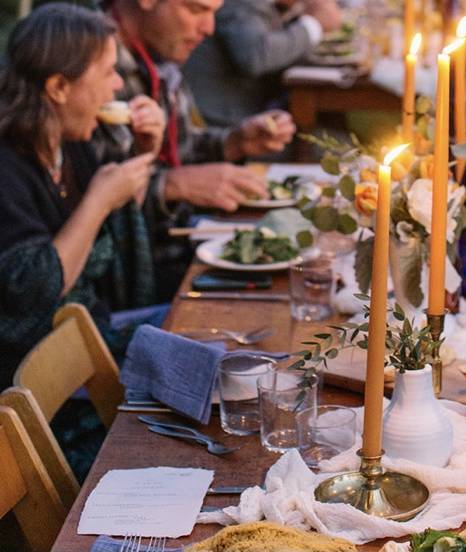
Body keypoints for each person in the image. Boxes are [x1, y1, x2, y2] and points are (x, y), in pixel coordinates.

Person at [0, 4, 165, 477]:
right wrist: (97, 201)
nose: (118, 85)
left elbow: (118, 236)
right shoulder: (9, 168)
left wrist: (142, 153)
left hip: (88, 342)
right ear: (58, 87)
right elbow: (32, 289)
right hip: (36, 393)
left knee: (214, 351)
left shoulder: (70, 145)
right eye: (109, 72)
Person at [95, 0, 298, 299]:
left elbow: (181, 149)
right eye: (195, 10)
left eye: (214, 12)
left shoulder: (159, 55)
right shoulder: (86, 61)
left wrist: (236, 142)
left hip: (186, 255)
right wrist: (171, 186)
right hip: (128, 290)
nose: (209, 28)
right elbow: (83, 201)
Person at [183, 0, 342, 127]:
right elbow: (256, 56)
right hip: (224, 127)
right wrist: (314, 24)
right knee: (343, 148)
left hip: (253, 118)